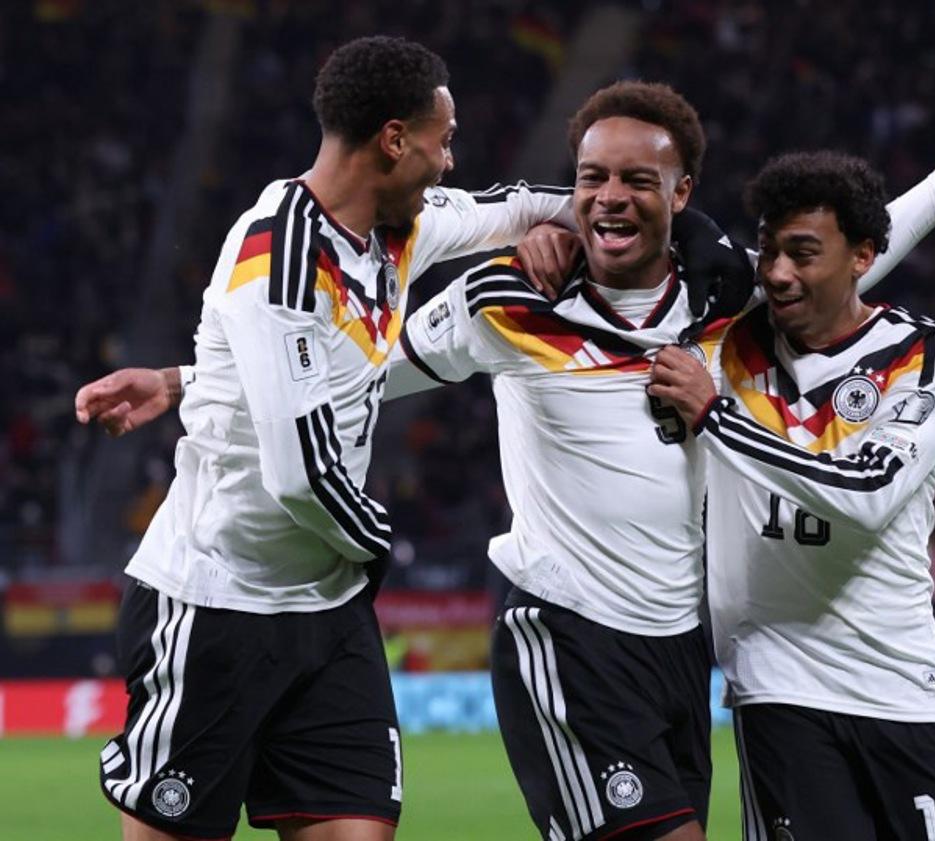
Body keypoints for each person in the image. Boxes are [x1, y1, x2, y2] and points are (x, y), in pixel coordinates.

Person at [79, 83, 935, 839]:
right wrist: (185, 377)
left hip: (680, 651)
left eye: (638, 181)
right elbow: (363, 368)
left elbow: (829, 274)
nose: (610, 196)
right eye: (591, 177)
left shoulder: (723, 296)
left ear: (680, 194)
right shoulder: (506, 298)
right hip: (566, 637)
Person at [86, 35, 586, 841]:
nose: (449, 161)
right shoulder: (277, 261)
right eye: (443, 138)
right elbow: (300, 474)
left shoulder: (399, 226)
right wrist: (380, 547)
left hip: (326, 612)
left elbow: (519, 203)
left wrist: (616, 214)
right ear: (395, 139)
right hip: (218, 602)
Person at [647, 148, 935, 840]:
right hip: (778, 687)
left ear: (862, 257)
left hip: (902, 684)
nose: (779, 273)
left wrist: (714, 417)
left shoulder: (919, 352)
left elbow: (868, 492)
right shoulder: (727, 344)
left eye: (803, 254)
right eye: (768, 251)